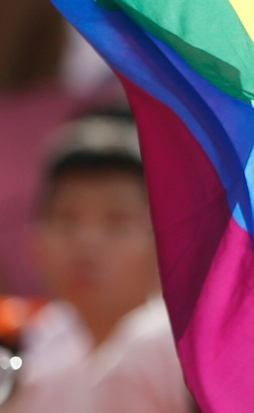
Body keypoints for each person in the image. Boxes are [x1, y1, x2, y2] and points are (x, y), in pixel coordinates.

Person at [7, 112, 191, 413]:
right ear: (35, 244)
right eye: (66, 219)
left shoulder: (176, 351)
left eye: (117, 221)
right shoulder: (38, 349)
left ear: (165, 243)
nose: (86, 243)